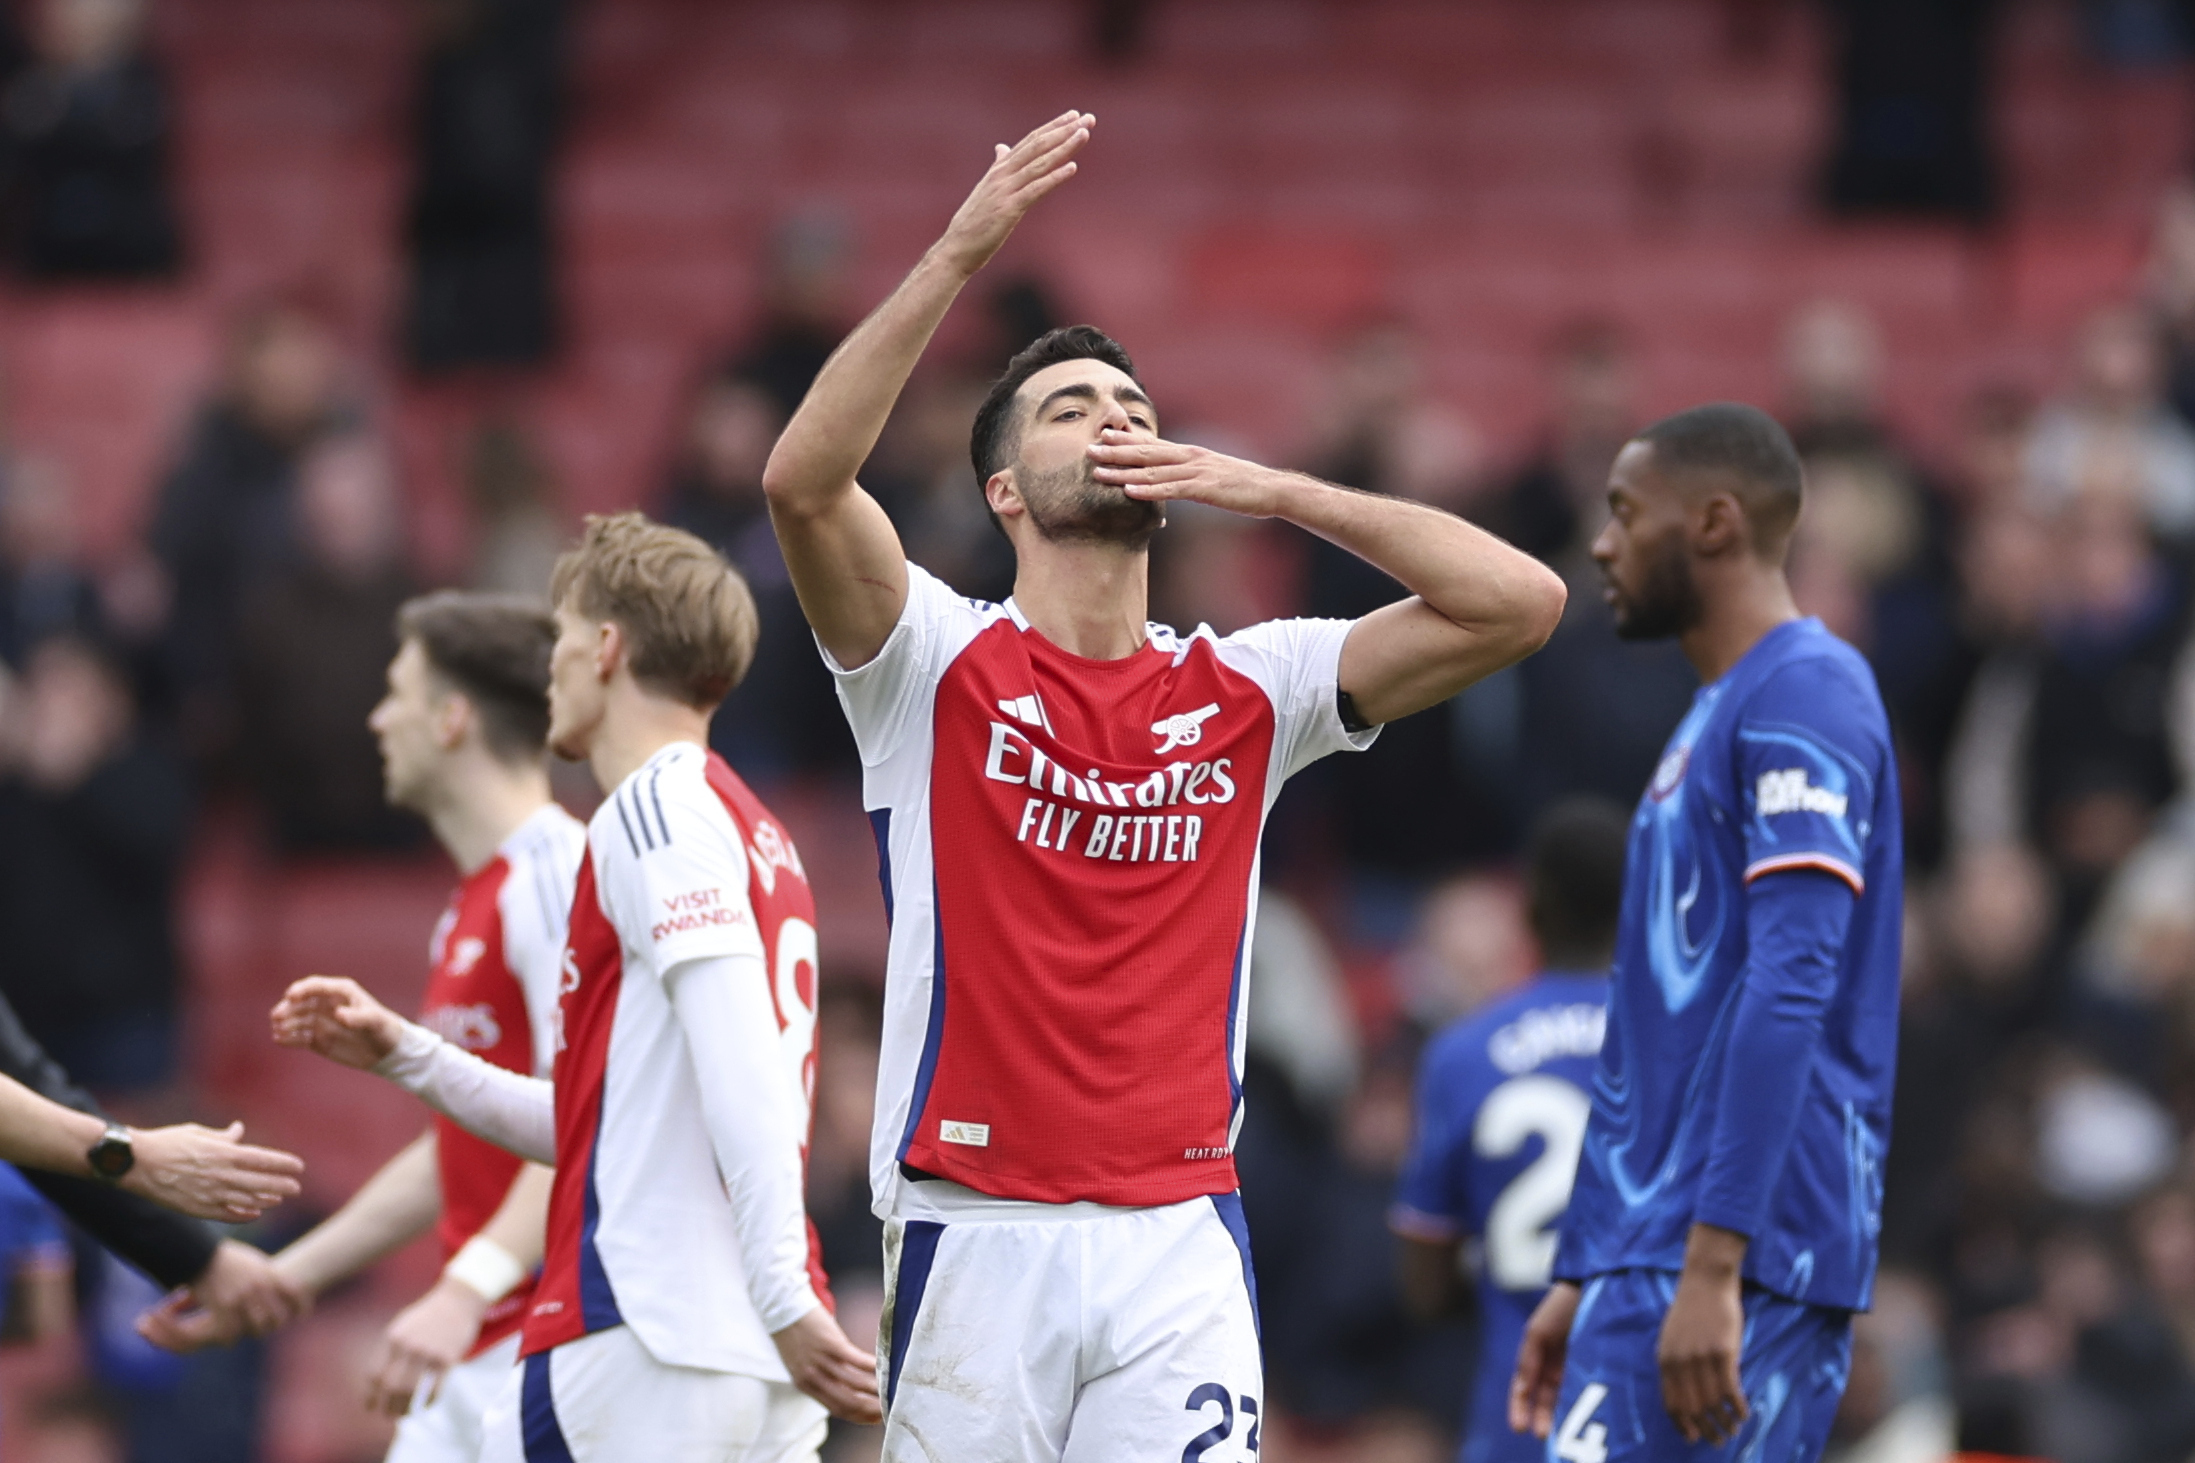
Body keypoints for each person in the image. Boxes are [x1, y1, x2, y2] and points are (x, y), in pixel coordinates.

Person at [759, 111, 1567, 1461]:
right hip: (976, 1226)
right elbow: (800, 480)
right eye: (1073, 408)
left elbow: (1521, 601)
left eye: (1132, 405)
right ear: (1006, 488)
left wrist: (1282, 491)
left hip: (1176, 1233)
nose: (1116, 421)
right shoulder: (932, 659)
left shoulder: (1252, 685)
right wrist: (959, 251)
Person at [269, 513, 880, 1460]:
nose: (546, 667)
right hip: (737, 1351)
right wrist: (409, 1053)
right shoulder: (753, 828)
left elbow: (741, 1061)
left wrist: (782, 1293)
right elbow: (601, 1127)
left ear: (604, 647)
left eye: (558, 637)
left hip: (647, 1334)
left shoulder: (650, 806)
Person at [1508, 405, 1903, 1463]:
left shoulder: (1804, 690)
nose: (1602, 542)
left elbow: (1790, 979)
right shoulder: (1718, 710)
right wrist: (1585, 1265)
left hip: (1740, 1250)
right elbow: (1651, 1027)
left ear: (1715, 523)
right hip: (1659, 1249)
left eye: (1627, 514)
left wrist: (1715, 1263)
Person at [144, 591, 583, 1463]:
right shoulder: (472, 901)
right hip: (477, 1344)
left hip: (551, 1345)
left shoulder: (557, 875)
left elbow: (584, 1125)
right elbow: (459, 1143)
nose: (378, 718)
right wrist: (286, 1276)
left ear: (452, 717)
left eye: (397, 691)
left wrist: (461, 1287)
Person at [1391, 798, 1627, 1463]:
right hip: (1652, 1413)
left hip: (1519, 1412)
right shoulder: (1682, 1047)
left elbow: (1423, 1280)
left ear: (1529, 913)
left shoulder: (1462, 1052)